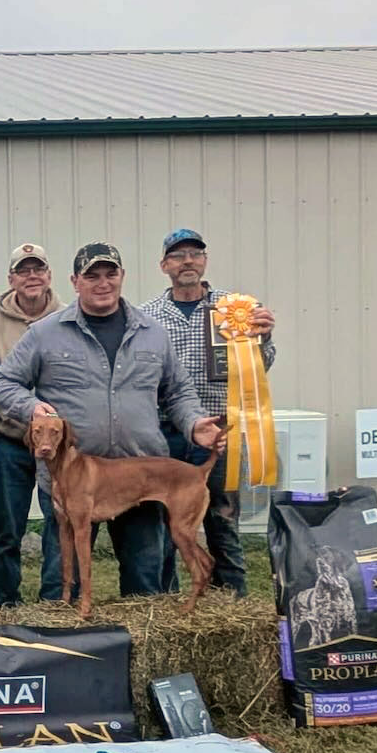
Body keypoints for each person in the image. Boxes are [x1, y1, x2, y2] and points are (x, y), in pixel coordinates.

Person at [0, 242, 225, 598]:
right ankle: (62, 639)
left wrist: (194, 425)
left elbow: (177, 392)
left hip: (141, 478)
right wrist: (31, 408)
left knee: (146, 589)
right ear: (74, 281)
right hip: (72, 477)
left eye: (110, 274)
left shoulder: (153, 333)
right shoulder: (45, 333)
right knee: (58, 586)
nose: (102, 283)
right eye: (91, 275)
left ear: (122, 277)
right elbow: (1, 383)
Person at [141, 228, 276, 597]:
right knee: (164, 522)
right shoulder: (146, 316)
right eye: (178, 255)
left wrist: (262, 339)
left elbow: (260, 366)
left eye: (194, 254)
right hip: (165, 432)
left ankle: (231, 599)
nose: (187, 261)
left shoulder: (236, 310)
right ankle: (166, 601)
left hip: (219, 431)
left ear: (204, 261)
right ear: (164, 265)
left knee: (221, 518)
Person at [0, 243, 64, 607]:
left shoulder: (69, 317)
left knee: (59, 523)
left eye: (39, 269)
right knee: (7, 528)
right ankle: (6, 600)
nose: (32, 276)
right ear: (11, 278)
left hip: (56, 446)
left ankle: (54, 600)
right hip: (12, 441)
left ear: (49, 275)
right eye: (24, 270)